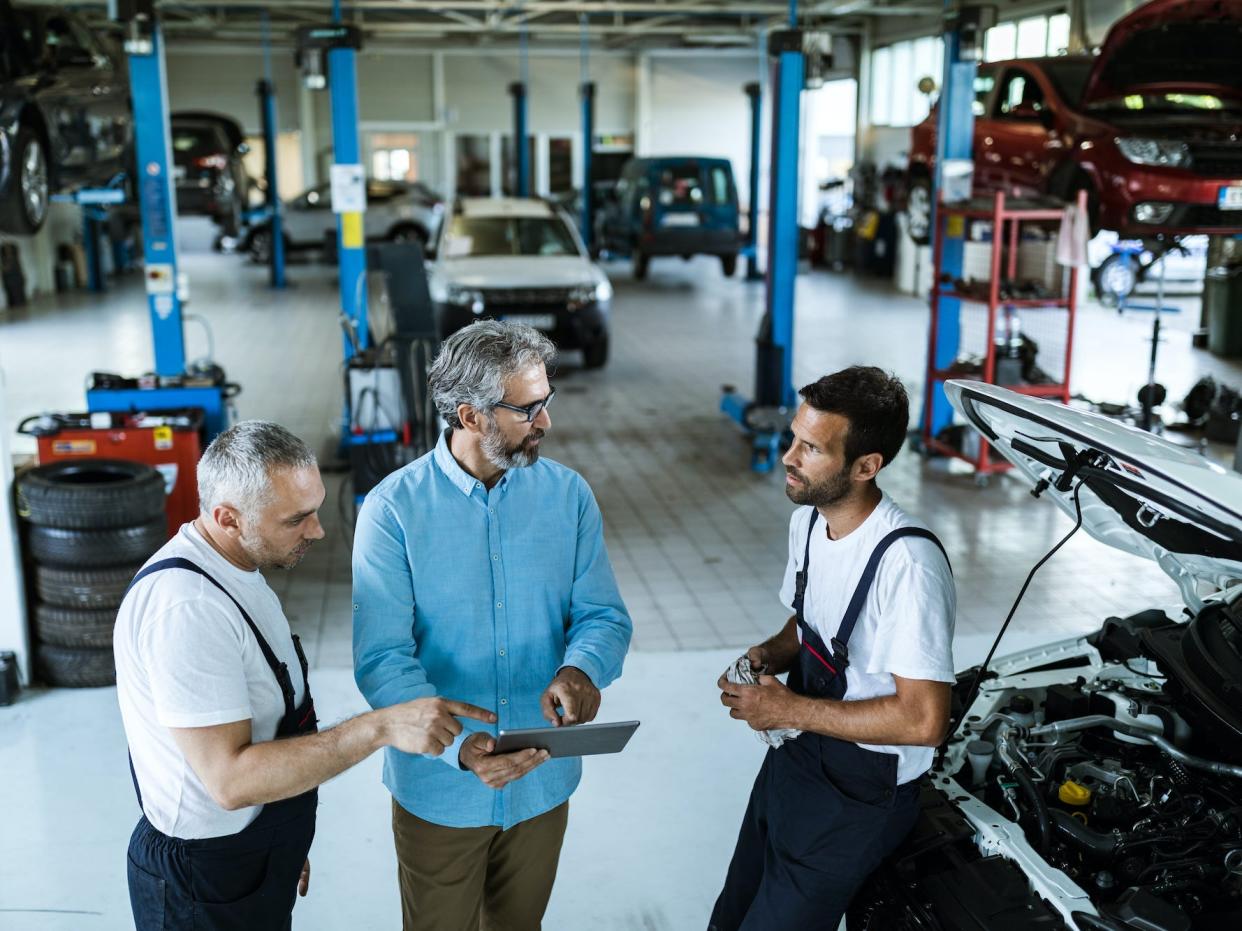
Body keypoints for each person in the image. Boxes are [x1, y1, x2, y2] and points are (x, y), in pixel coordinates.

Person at [115, 421, 493, 931]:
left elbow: (267, 724)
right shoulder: (188, 609)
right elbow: (230, 781)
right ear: (228, 517)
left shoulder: (235, 570)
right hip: (204, 884)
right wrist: (377, 727)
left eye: (314, 508)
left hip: (248, 854)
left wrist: (279, 839)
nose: (317, 531)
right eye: (297, 519)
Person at [353, 320, 632, 931]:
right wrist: (458, 746)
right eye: (526, 409)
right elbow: (383, 659)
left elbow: (602, 614)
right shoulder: (392, 511)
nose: (545, 423)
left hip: (542, 780)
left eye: (545, 403)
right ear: (470, 415)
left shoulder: (568, 497)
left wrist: (581, 667)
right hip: (441, 791)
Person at [709, 366, 957, 929]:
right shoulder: (810, 523)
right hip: (796, 759)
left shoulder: (908, 565)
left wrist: (788, 709)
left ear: (867, 466)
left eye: (812, 448)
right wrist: (767, 655)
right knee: (733, 912)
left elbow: (924, 720)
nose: (788, 456)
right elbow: (808, 625)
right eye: (794, 437)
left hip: (861, 791)